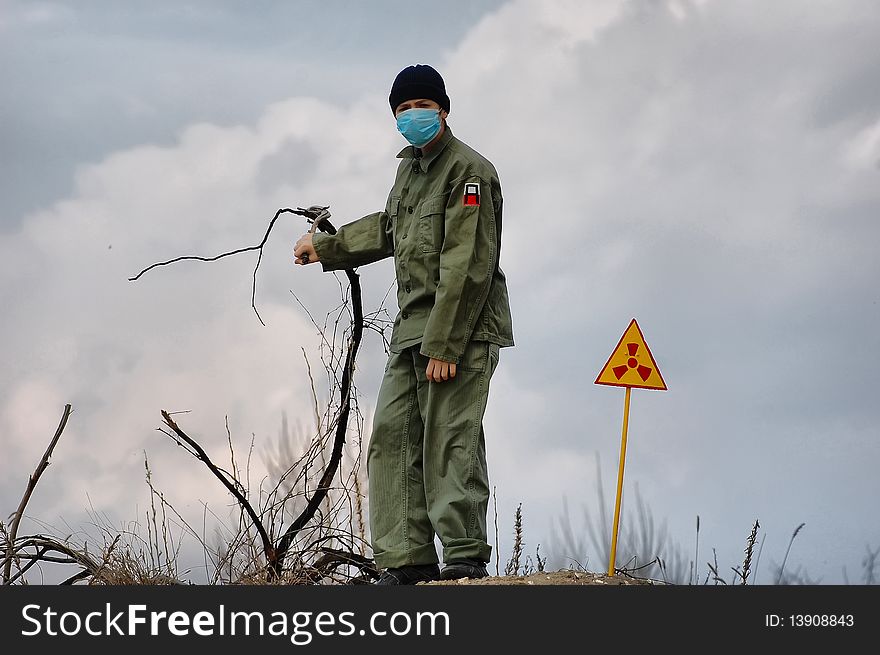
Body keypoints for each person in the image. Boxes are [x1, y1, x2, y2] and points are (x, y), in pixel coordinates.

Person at [293, 63, 514, 585]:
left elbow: (468, 264)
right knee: (392, 436)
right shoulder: (409, 172)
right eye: (402, 109)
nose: (412, 115)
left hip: (459, 331)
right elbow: (388, 227)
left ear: (443, 109)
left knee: (450, 438)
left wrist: (446, 344)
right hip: (411, 327)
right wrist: (325, 246)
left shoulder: (470, 172)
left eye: (421, 106)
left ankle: (463, 556)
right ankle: (406, 560)